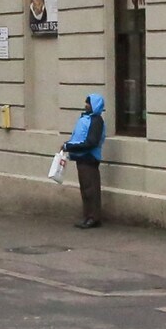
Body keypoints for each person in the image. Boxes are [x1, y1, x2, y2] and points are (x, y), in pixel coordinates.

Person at [64, 92, 108, 229]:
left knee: (90, 189)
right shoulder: (89, 119)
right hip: (82, 157)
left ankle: (93, 217)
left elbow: (91, 142)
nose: (86, 105)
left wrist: (69, 146)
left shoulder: (96, 121)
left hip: (89, 158)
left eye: (88, 103)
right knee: (86, 189)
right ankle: (88, 216)